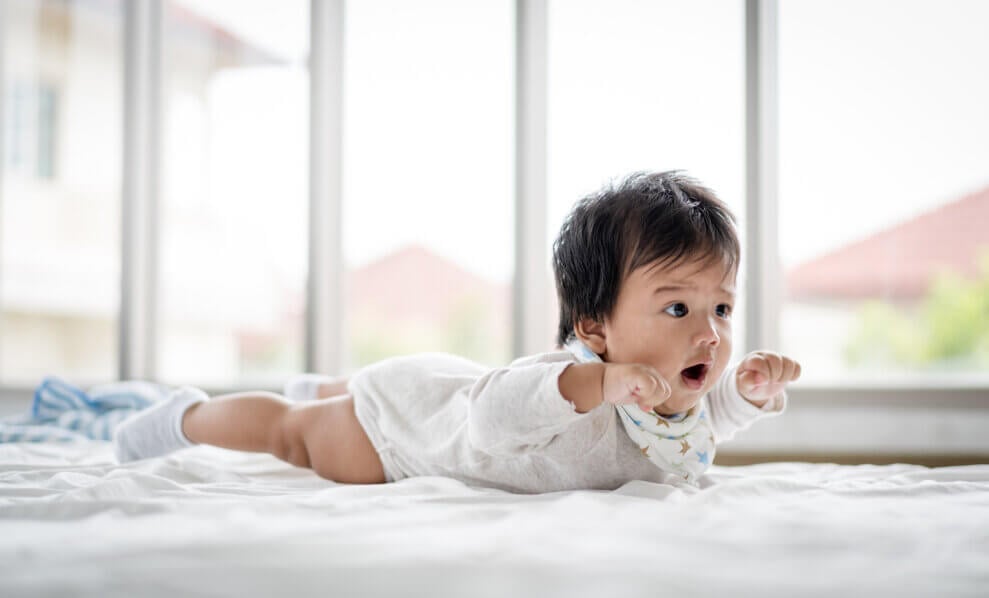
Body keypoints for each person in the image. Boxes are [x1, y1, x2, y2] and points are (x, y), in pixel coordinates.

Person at [114, 171, 801, 492]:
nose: (709, 332)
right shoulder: (560, 387)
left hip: (446, 385)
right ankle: (191, 415)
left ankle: (330, 385)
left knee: (349, 394)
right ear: (593, 326)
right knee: (294, 433)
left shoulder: (673, 403)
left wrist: (745, 393)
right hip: (410, 436)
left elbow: (703, 424)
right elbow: (493, 421)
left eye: (721, 310)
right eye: (677, 309)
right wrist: (598, 382)